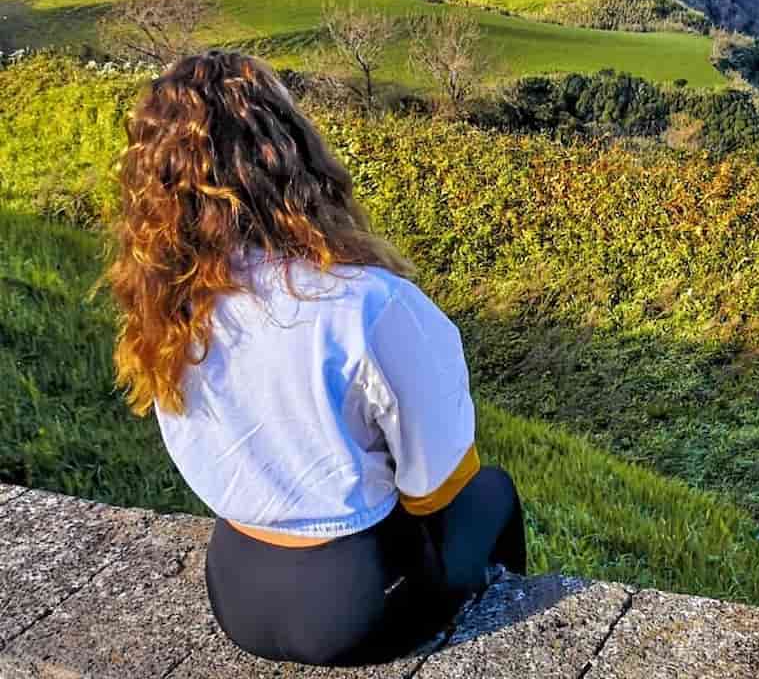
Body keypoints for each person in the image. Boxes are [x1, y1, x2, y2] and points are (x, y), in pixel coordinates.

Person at [107, 50, 526, 665]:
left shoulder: (171, 303)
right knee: (492, 494)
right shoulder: (369, 305)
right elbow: (435, 486)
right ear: (294, 156)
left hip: (236, 588)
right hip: (355, 602)